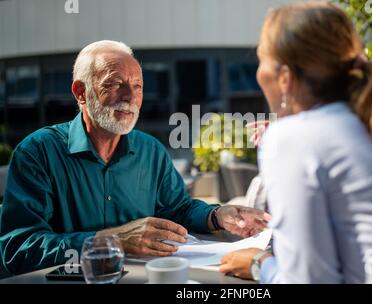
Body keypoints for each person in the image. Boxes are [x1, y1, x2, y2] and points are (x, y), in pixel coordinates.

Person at [219, 1, 372, 283]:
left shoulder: (292, 137)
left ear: (285, 78)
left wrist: (260, 264)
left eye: (261, 59)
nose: (257, 73)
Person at [0, 40, 270, 275]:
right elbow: (19, 248)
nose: (130, 97)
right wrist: (112, 240)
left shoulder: (150, 150)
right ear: (81, 93)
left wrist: (216, 215)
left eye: (137, 86)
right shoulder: (38, 153)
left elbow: (178, 210)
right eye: (115, 84)